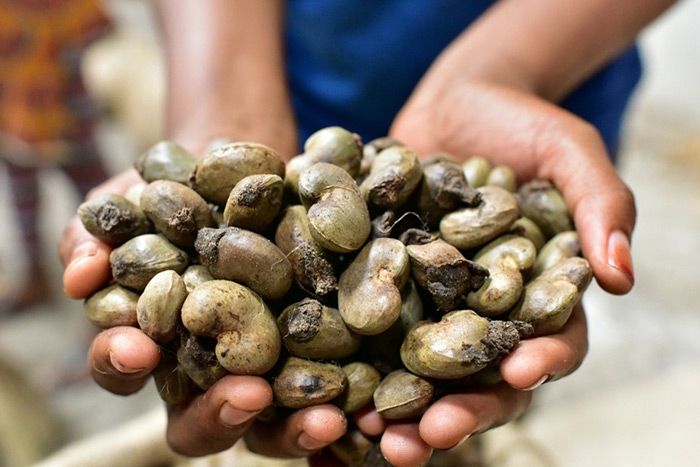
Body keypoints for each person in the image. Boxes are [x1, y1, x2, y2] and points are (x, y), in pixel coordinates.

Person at [59, 1, 677, 465]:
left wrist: (509, 68)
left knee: (463, 410)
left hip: (561, 56)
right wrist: (226, 104)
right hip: (288, 68)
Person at [0, 0, 112, 312]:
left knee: (99, 197)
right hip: (15, 113)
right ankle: (33, 276)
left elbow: (100, 30)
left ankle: (109, 283)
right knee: (22, 191)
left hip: (68, 115)